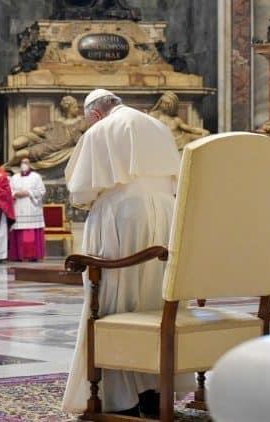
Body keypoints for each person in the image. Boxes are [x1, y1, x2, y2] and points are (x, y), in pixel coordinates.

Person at [62, 89, 192, 417]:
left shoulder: (101, 130)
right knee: (152, 299)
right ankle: (154, 390)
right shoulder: (158, 126)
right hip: (165, 212)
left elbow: (81, 191)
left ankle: (120, 397)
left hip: (121, 214)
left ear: (94, 114)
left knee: (114, 300)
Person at [9, 158, 46, 262]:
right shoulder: (14, 177)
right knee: (19, 232)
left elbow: (42, 191)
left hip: (31, 208)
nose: (24, 165)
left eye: (26, 163)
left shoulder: (36, 177)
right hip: (18, 207)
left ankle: (32, 256)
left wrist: (28, 193)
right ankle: (18, 255)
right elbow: (9, 190)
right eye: (22, 163)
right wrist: (15, 193)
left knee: (31, 233)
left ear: (30, 165)